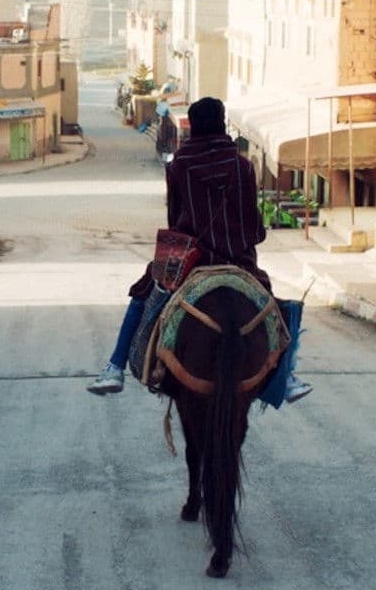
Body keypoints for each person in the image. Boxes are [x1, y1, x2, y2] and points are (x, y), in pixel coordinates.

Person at [88, 96, 312, 403]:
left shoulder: (179, 165)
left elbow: (175, 222)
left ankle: (114, 367)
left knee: (143, 294)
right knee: (273, 307)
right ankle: (286, 378)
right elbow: (255, 230)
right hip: (239, 262)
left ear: (193, 126)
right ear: (221, 125)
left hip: (190, 264)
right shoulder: (244, 166)